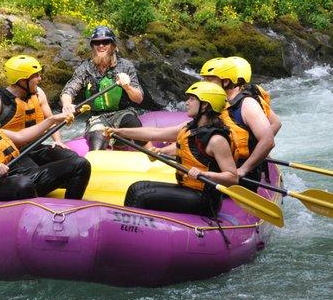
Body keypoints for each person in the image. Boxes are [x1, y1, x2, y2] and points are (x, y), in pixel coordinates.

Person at [0, 80, 91, 201]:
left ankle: (70, 210)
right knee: (24, 185)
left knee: (80, 164)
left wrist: (52, 120)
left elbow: (20, 137)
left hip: (26, 172)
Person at [108, 81, 238, 216]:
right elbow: (155, 133)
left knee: (140, 194)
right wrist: (119, 131)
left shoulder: (217, 139)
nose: (187, 102)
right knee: (137, 187)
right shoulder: (191, 127)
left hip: (205, 198)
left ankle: (132, 232)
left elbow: (232, 178)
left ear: (205, 105)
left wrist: (204, 174)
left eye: (192, 99)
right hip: (188, 188)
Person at [0, 54, 79, 166]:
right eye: (35, 75)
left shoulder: (38, 93)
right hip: (8, 154)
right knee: (34, 171)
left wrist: (58, 141)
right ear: (22, 80)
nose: (40, 78)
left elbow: (50, 121)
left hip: (34, 147)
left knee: (71, 158)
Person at [60, 25, 144, 150]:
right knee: (97, 139)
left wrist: (127, 87)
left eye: (105, 42)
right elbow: (69, 90)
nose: (101, 45)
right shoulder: (85, 68)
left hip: (122, 112)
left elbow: (139, 98)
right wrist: (67, 104)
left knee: (134, 124)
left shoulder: (126, 66)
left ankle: (148, 154)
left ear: (114, 46)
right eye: (96, 43)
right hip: (97, 117)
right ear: (92, 47)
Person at [199, 57, 276, 191]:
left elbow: (269, 140)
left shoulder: (247, 104)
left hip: (241, 174)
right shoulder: (217, 102)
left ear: (226, 81)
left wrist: (244, 169)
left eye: (209, 80)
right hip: (220, 166)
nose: (205, 84)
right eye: (204, 80)